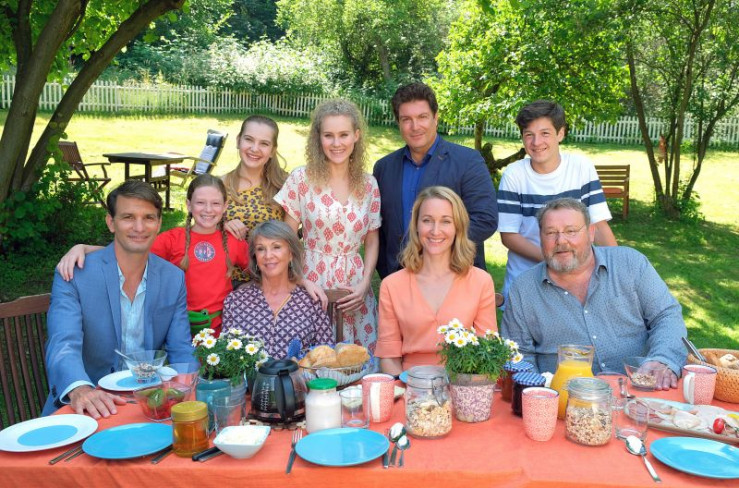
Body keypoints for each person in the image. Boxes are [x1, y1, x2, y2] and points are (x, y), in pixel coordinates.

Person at [44, 180, 197, 418]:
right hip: (89, 402)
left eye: (148, 218)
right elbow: (63, 343)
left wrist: (190, 390)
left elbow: (181, 349)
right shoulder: (75, 274)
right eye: (128, 217)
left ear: (159, 224)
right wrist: (80, 389)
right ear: (110, 222)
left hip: (150, 402)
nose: (139, 227)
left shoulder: (172, 278)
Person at [500, 198, 686, 389]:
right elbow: (518, 356)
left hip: (640, 389)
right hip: (565, 398)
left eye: (571, 231)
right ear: (541, 237)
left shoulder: (630, 264)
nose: (561, 241)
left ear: (591, 233)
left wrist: (662, 359)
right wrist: (538, 393)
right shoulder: (523, 289)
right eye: (551, 232)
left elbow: (666, 315)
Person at [56, 174, 249, 337]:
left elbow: (258, 271)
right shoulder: (173, 239)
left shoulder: (233, 241)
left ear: (225, 206)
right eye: (200, 202)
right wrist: (83, 248)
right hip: (178, 326)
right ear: (189, 205)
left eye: (215, 203)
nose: (208, 209)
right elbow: (128, 252)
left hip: (222, 329)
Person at [274, 99, 381, 352]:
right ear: (318, 138)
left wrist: (365, 283)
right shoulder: (301, 179)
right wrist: (300, 279)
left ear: (356, 136)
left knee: (355, 360)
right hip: (312, 279)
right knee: (314, 358)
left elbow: (372, 239)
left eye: (343, 135)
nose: (336, 143)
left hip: (354, 285)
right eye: (328, 135)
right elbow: (287, 239)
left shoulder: (369, 184)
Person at [373, 82, 498, 279]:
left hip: (454, 276)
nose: (415, 126)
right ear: (398, 122)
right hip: (399, 278)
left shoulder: (468, 161)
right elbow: (379, 229)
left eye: (422, 117)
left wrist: (436, 251)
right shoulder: (384, 168)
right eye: (406, 119)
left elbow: (485, 219)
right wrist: (387, 271)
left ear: (436, 117)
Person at [497, 100, 617, 300]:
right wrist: (556, 260)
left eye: (545, 133)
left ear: (560, 133)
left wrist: (617, 269)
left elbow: (599, 226)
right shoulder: (514, 175)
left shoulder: (581, 167)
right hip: (527, 281)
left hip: (578, 280)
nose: (536, 142)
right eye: (529, 135)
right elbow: (509, 236)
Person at [375, 186, 498, 374]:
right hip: (409, 384)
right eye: (427, 220)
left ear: (458, 227)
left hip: (464, 383)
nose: (435, 230)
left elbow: (487, 354)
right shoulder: (392, 286)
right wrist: (407, 389)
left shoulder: (481, 282)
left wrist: (464, 389)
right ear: (416, 225)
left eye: (446, 221)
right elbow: (389, 358)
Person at [221, 221, 333, 358]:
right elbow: (226, 359)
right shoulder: (236, 301)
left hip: (298, 372)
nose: (268, 255)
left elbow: (328, 358)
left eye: (276, 247)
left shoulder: (312, 300)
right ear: (255, 256)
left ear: (291, 253)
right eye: (261, 249)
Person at [222, 115, 288, 284]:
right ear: (238, 141)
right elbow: (198, 233)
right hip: (224, 281)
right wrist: (221, 227)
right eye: (249, 139)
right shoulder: (219, 186)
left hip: (270, 282)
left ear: (272, 150)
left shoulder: (285, 186)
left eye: (264, 143)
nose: (255, 148)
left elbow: (295, 236)